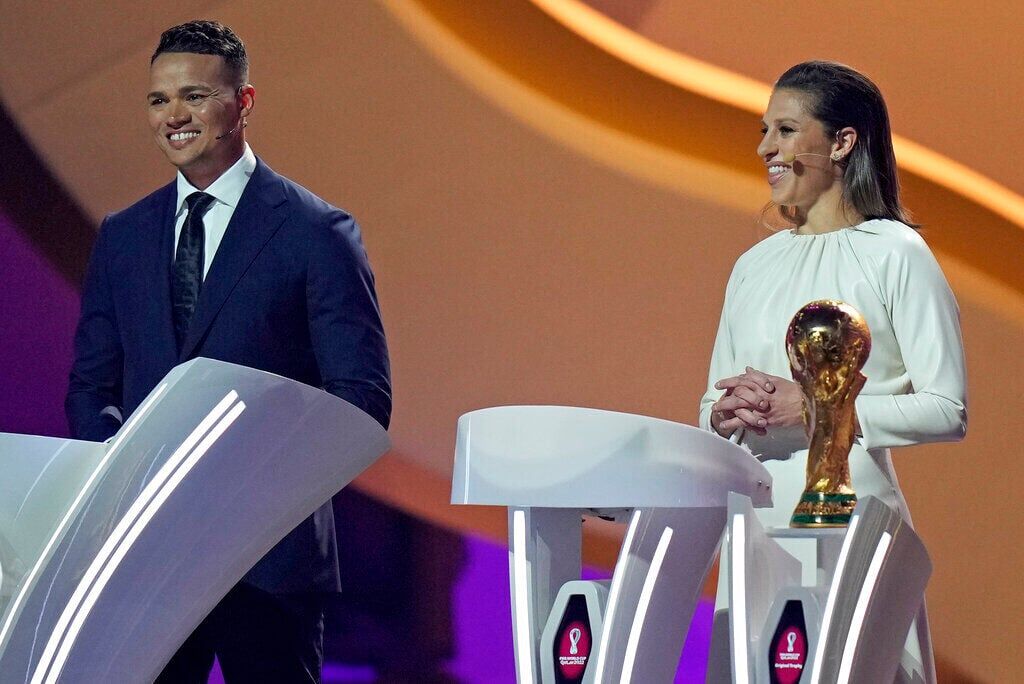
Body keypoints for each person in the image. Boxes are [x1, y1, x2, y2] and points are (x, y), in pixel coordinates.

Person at [65, 20, 391, 683]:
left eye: (194, 96)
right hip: (146, 560)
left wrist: (256, 487)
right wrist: (126, 476)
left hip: (270, 561)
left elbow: (361, 400)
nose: (174, 116)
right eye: (158, 100)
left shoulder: (317, 232)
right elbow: (91, 387)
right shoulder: (123, 237)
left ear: (243, 103)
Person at [699, 61, 966, 683]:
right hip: (756, 530)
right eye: (766, 130)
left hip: (852, 524)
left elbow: (946, 408)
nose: (766, 147)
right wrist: (722, 415)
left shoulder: (896, 252)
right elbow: (707, 406)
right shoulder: (752, 265)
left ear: (843, 142)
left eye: (788, 130)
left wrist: (817, 410)